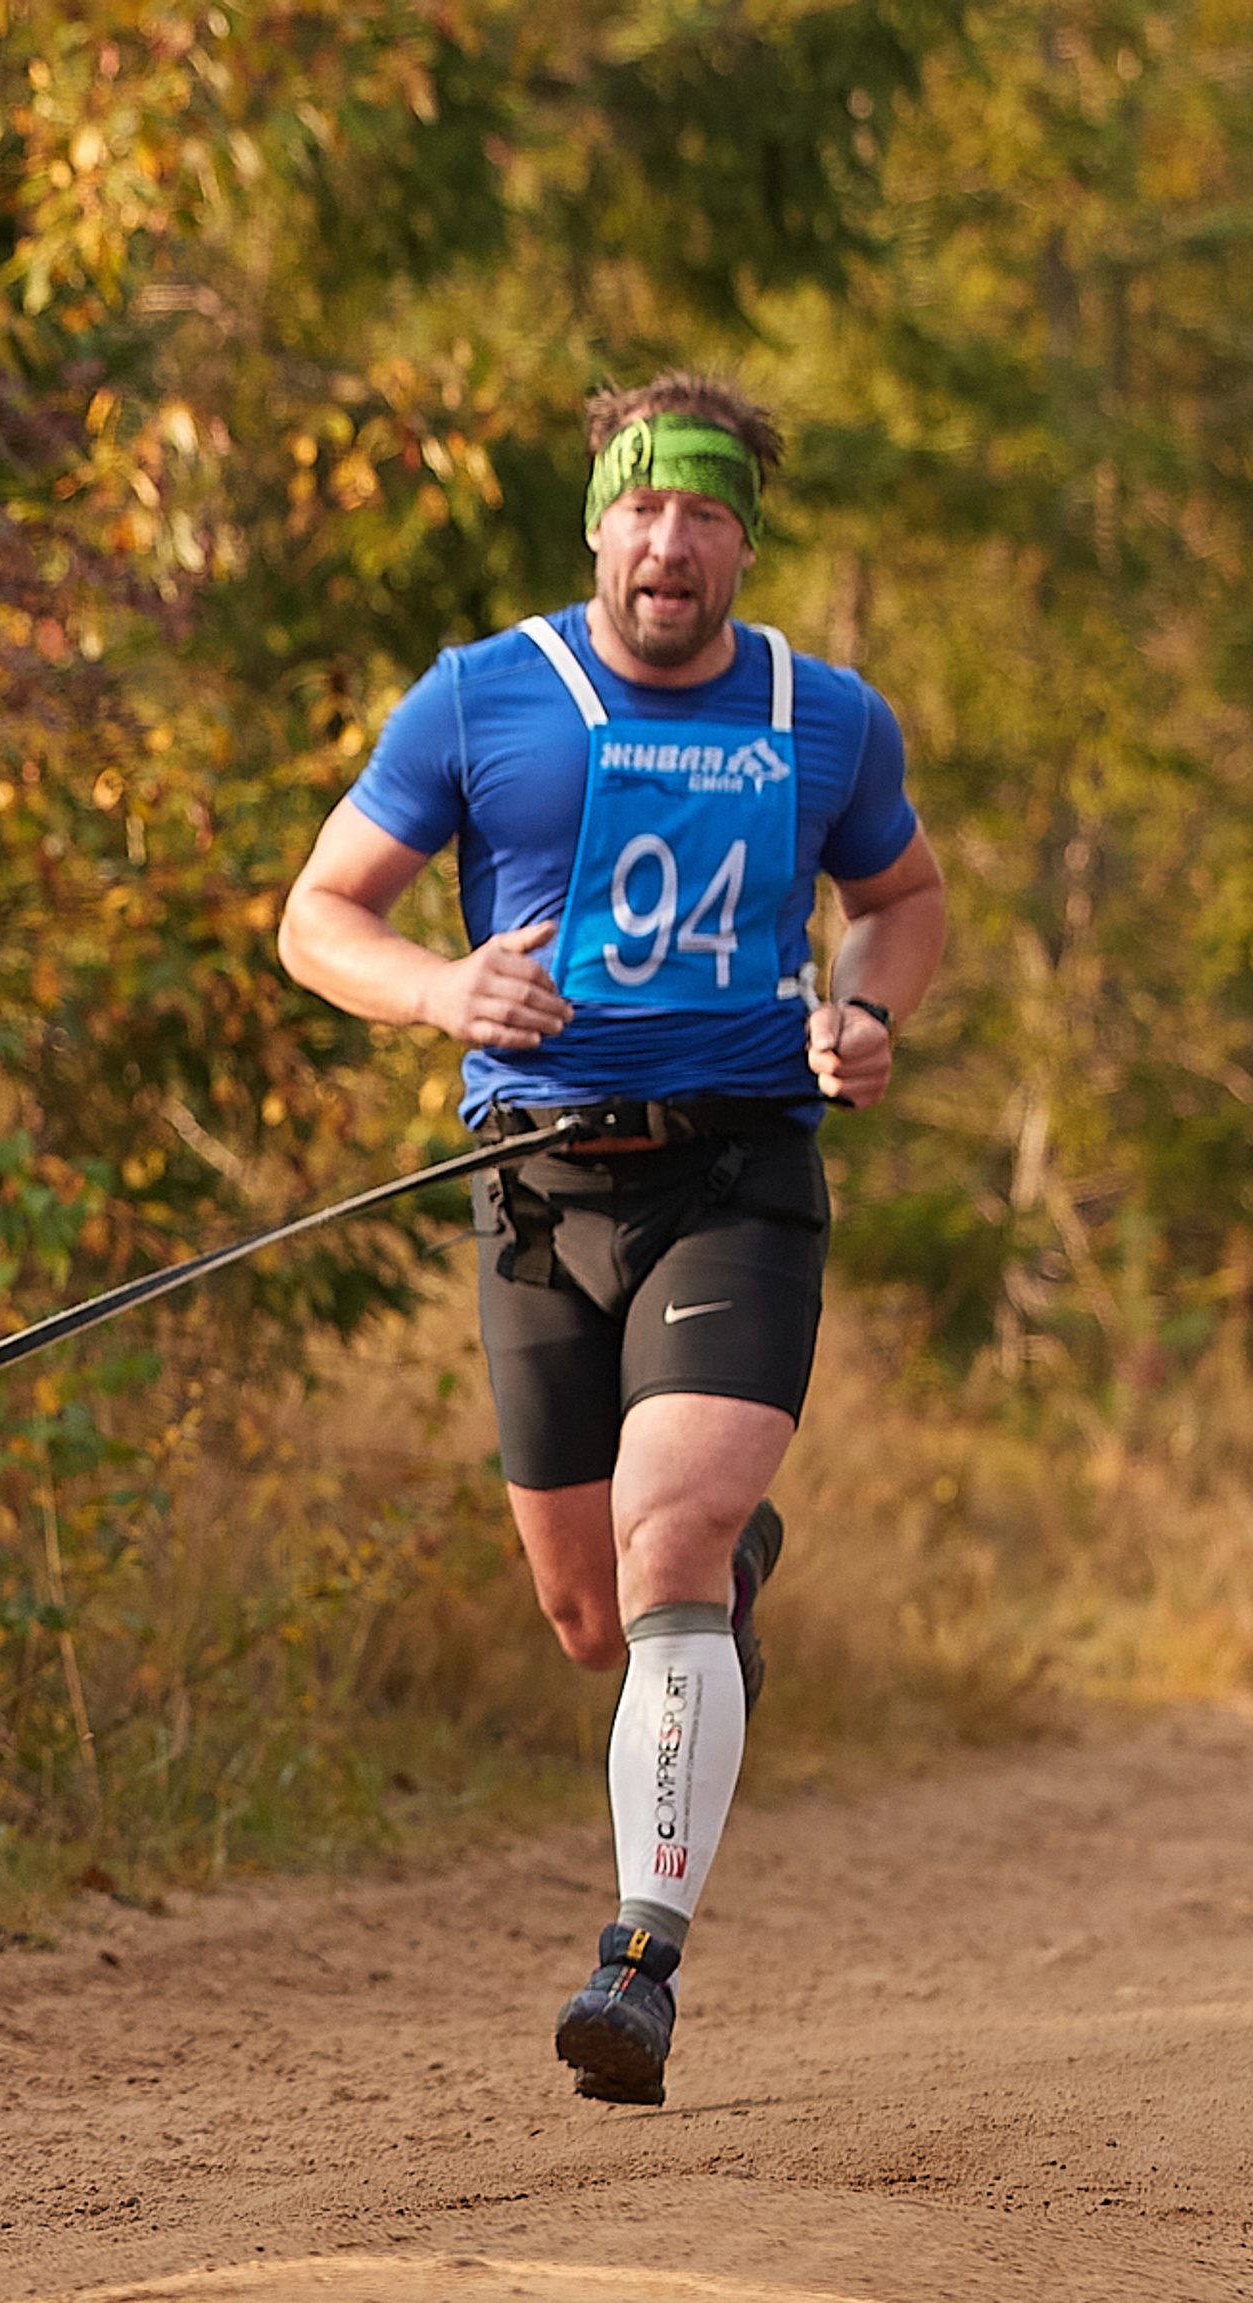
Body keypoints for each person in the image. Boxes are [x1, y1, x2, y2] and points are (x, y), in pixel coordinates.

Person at [276, 373, 946, 2106]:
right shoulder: (483, 697)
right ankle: (720, 1581)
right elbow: (318, 914)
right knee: (596, 1619)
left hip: (737, 1180)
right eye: (643, 508)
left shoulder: (826, 715)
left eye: (707, 511)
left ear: (742, 538)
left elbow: (902, 903)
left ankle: (636, 1969)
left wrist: (866, 1017)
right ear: (597, 521)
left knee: (668, 1543)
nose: (671, 541)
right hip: (537, 1191)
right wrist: (439, 986)